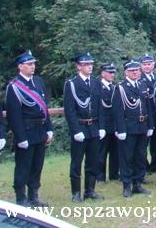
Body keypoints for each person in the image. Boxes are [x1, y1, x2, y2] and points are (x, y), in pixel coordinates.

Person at [5, 50, 53, 207]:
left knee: (37, 165)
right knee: (23, 166)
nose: (33, 66)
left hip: (40, 129)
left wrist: (49, 129)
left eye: (33, 64)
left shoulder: (38, 81)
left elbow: (44, 108)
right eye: (29, 64)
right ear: (20, 66)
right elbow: (14, 115)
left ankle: (34, 196)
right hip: (26, 130)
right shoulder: (14, 86)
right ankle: (21, 198)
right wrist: (20, 137)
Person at [63, 53, 105, 202]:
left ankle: (90, 190)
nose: (89, 67)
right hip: (80, 127)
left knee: (93, 161)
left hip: (93, 126)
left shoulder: (95, 82)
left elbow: (99, 106)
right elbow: (70, 110)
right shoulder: (72, 84)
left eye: (91, 64)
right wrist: (75, 130)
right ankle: (75, 193)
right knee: (76, 163)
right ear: (78, 66)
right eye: (86, 64)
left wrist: (101, 126)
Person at [112, 60, 154, 197]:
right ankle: (127, 185)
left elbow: (148, 106)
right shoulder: (121, 87)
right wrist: (120, 129)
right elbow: (117, 111)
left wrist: (150, 125)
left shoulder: (142, 85)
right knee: (126, 157)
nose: (135, 72)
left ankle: (137, 183)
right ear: (126, 72)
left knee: (140, 157)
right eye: (132, 71)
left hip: (142, 126)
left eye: (137, 70)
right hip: (128, 127)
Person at [96, 62, 119, 182]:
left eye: (113, 72)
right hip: (103, 124)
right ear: (102, 73)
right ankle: (100, 176)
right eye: (109, 72)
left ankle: (114, 174)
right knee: (101, 152)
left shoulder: (115, 87)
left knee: (115, 151)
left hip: (114, 124)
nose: (112, 74)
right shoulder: (97, 87)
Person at [140, 54, 156, 173]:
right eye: (144, 64)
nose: (147, 66)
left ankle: (155, 164)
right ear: (141, 66)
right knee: (144, 143)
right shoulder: (139, 79)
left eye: (149, 64)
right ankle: (144, 166)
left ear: (153, 64)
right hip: (147, 115)